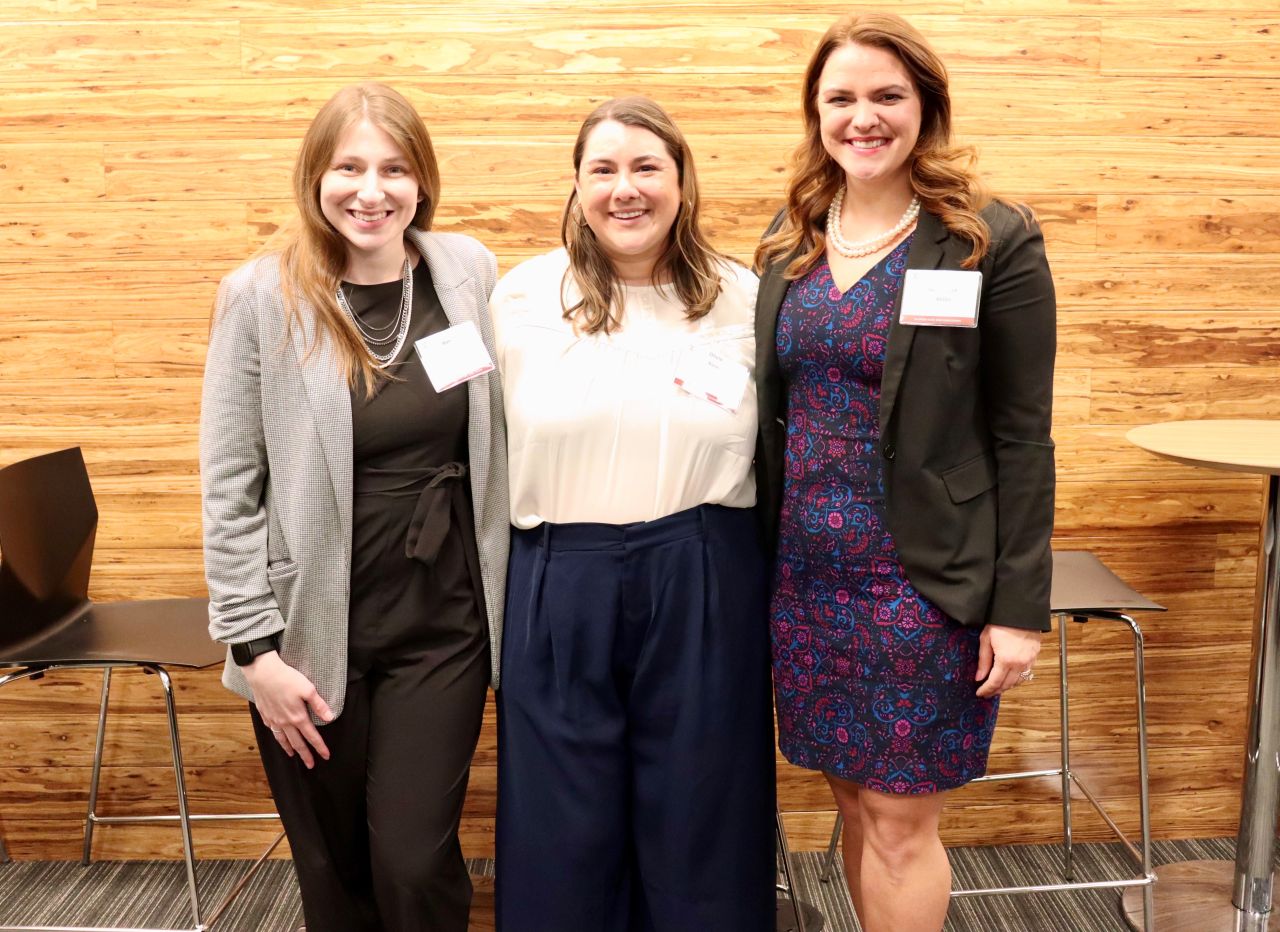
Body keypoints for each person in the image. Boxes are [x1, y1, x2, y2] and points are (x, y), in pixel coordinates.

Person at [754, 13, 1056, 932]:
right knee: (851, 801)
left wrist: (1018, 608)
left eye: (887, 96)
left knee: (898, 821)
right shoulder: (793, 237)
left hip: (920, 582)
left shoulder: (987, 237)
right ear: (816, 112)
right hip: (806, 579)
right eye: (840, 98)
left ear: (926, 106)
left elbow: (1023, 436)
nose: (863, 118)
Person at [199, 82, 508, 932]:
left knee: (413, 860)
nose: (371, 191)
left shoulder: (466, 272)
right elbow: (229, 484)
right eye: (349, 168)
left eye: (394, 169)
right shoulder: (261, 295)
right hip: (308, 635)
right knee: (336, 871)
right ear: (315, 176)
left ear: (423, 181)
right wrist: (255, 653)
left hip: (442, 624)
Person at [490, 96, 775, 932]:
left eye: (647, 167)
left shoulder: (743, 296)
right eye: (603, 169)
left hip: (703, 571)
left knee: (702, 812)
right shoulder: (520, 296)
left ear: (681, 181)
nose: (626, 189)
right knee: (562, 825)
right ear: (577, 186)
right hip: (558, 575)